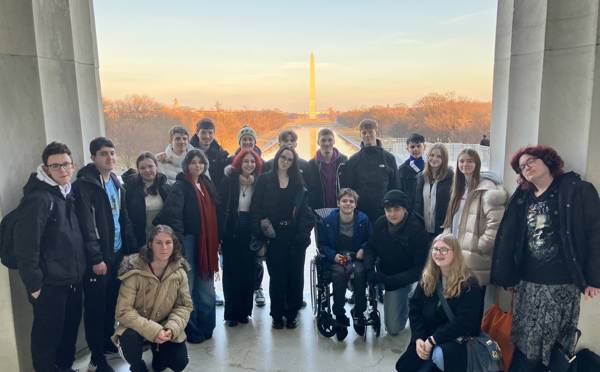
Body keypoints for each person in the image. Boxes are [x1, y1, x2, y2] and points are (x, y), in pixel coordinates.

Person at [491, 145, 600, 371]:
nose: (526, 167)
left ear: (548, 161)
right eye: (522, 166)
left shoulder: (576, 190)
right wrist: (509, 276)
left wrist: (594, 278)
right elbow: (511, 237)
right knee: (525, 344)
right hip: (527, 284)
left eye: (531, 161)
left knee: (554, 349)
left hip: (561, 286)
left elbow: (595, 232)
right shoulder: (523, 197)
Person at [14, 142, 86, 372]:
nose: (62, 170)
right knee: (47, 338)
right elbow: (26, 246)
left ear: (73, 166)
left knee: (68, 331)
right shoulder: (39, 199)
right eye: (56, 166)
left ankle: (64, 368)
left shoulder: (66, 194)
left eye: (66, 164)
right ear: (46, 169)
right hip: (49, 284)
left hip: (71, 280)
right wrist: (34, 285)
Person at [73, 137, 137, 372]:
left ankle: (109, 345)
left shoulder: (117, 182)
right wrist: (96, 259)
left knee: (112, 303)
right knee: (95, 308)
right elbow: (87, 228)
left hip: (117, 253)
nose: (109, 157)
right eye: (103, 154)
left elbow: (123, 218)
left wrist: (129, 253)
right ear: (93, 158)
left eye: (112, 153)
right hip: (99, 258)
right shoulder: (85, 186)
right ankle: (96, 358)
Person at [154, 149, 219, 343]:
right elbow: (171, 216)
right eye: (193, 162)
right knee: (187, 288)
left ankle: (207, 326)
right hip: (189, 242)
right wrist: (179, 245)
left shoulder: (206, 184)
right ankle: (191, 329)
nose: (197, 165)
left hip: (206, 243)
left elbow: (217, 210)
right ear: (186, 165)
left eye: (200, 162)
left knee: (206, 286)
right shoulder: (180, 186)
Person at [395, 233, 483, 372]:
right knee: (404, 366)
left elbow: (464, 323)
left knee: (434, 362)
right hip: (428, 336)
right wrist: (418, 338)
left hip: (454, 340)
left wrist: (432, 340)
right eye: (435, 249)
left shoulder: (469, 284)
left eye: (444, 250)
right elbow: (415, 309)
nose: (438, 253)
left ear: (455, 253)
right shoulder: (429, 278)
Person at [113, 225, 193, 372]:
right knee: (129, 339)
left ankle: (159, 355)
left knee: (179, 362)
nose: (164, 247)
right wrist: (153, 330)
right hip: (136, 325)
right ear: (150, 244)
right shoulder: (134, 271)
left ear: (174, 244)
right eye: (159, 242)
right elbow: (123, 311)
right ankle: (136, 365)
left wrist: (171, 328)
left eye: (168, 242)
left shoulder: (179, 271)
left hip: (165, 323)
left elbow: (184, 306)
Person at [250, 146, 314, 329]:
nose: (285, 161)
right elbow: (256, 208)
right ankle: (277, 314)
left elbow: (305, 212)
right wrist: (260, 232)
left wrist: (303, 235)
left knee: (295, 277)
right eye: (283, 157)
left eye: (289, 159)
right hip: (273, 235)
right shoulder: (265, 180)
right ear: (277, 158)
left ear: (293, 163)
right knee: (277, 277)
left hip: (294, 236)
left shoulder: (298, 182)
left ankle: (292, 313)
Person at [364, 190, 429, 336]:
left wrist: (390, 281)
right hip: (388, 273)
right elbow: (370, 247)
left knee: (395, 327)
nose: (392, 214)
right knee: (393, 328)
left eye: (397, 210)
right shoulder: (381, 222)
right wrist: (369, 269)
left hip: (408, 276)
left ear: (405, 209)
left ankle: (411, 299)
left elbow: (420, 268)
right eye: (388, 210)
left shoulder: (417, 229)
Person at [443, 148, 506, 288]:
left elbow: (496, 222)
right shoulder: (459, 187)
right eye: (462, 161)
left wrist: (480, 246)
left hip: (474, 257)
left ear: (477, 164)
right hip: (456, 253)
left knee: (471, 302)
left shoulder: (487, 188)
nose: (465, 164)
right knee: (455, 299)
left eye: (470, 161)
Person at [218, 149, 263, 326]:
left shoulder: (258, 182)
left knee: (248, 273)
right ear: (239, 163)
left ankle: (244, 312)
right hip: (231, 230)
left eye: (253, 162)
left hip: (250, 231)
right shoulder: (229, 180)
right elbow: (220, 205)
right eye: (246, 161)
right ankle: (231, 315)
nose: (249, 165)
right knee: (231, 273)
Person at [317, 188, 371, 334]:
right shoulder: (327, 221)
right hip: (336, 258)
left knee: (360, 273)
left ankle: (359, 312)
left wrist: (363, 249)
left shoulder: (363, 219)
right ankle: (339, 314)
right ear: (338, 203)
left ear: (356, 204)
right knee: (338, 275)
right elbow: (322, 244)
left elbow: (370, 240)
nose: (348, 204)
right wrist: (333, 256)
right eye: (344, 201)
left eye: (351, 201)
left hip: (356, 258)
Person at [339, 118, 399, 223]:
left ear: (377, 133)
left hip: (385, 214)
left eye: (370, 132)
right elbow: (349, 189)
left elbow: (396, 187)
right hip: (361, 214)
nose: (367, 135)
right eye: (364, 133)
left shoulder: (389, 158)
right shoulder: (353, 160)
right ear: (360, 135)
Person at [124, 152, 171, 247]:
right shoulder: (129, 189)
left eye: (150, 166)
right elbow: (126, 218)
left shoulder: (166, 188)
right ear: (138, 170)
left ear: (156, 166)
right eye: (142, 168)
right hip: (138, 239)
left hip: (161, 240)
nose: (147, 170)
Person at [414, 143, 454, 240]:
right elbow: (416, 203)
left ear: (444, 159)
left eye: (439, 156)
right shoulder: (420, 177)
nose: (434, 159)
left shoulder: (451, 178)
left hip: (441, 229)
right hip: (422, 228)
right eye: (432, 155)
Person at [305, 128, 348, 209]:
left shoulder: (344, 161)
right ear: (318, 142)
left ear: (334, 141)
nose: (327, 143)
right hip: (319, 210)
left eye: (330, 140)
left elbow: (349, 186)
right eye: (323, 140)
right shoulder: (311, 165)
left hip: (341, 210)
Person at [190, 118, 229, 187]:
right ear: (197, 133)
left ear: (214, 133)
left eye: (210, 133)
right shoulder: (188, 151)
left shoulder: (220, 154)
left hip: (213, 193)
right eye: (203, 132)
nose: (207, 136)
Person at [398, 133, 426, 206]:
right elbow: (399, 191)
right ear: (407, 149)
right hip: (409, 208)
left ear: (424, 147)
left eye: (418, 146)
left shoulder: (428, 168)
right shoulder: (402, 170)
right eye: (412, 147)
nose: (415, 149)